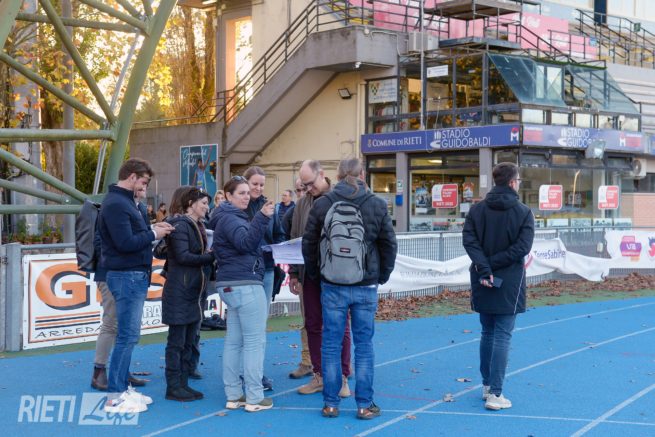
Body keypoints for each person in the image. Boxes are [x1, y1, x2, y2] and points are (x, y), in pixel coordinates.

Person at [303, 157, 397, 419]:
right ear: (362, 174)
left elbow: (309, 243)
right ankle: (364, 405)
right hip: (365, 283)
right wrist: (382, 275)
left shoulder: (323, 204)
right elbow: (389, 244)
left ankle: (331, 403)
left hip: (332, 282)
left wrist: (317, 274)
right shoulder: (376, 204)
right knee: (364, 345)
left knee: (331, 344)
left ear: (338, 175)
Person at [99, 158, 174, 414]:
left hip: (132, 275)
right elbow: (125, 242)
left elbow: (129, 236)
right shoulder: (116, 203)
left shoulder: (124, 202)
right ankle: (115, 396)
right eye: (143, 181)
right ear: (132, 177)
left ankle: (121, 389)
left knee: (129, 336)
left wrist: (153, 228)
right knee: (127, 336)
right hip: (126, 275)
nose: (144, 186)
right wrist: (154, 234)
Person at [462, 162, 534, 411]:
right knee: (501, 334)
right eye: (518, 180)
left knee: (488, 332)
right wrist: (490, 265)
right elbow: (522, 248)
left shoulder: (476, 210)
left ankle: (487, 386)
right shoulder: (524, 212)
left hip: (483, 276)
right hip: (508, 280)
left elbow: (469, 241)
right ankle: (495, 392)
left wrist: (485, 266)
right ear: (513, 182)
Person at [212, 176, 275, 412]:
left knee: (234, 341)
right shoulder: (232, 218)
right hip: (245, 284)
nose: (247, 196)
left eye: (248, 193)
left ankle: (234, 394)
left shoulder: (226, 217)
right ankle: (254, 396)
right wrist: (262, 218)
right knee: (254, 342)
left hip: (230, 284)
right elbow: (246, 243)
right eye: (241, 193)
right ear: (228, 196)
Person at [289, 160, 352, 395]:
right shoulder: (302, 204)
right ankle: (319, 375)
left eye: (310, 183)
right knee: (313, 324)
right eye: (303, 185)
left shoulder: (340, 198)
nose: (308, 189)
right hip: (310, 274)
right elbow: (295, 238)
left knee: (340, 324)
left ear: (322, 174)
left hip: (337, 275)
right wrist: (294, 273)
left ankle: (343, 377)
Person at [90, 188, 150, 392]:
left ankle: (121, 371)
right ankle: (99, 371)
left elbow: (141, 240)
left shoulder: (140, 208)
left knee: (125, 327)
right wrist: (122, 256)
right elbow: (101, 242)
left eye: (146, 183)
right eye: (141, 183)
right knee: (111, 323)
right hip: (110, 274)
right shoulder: (114, 207)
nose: (144, 188)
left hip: (128, 274)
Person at [162, 188, 215, 402]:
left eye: (207, 203)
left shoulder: (196, 225)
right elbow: (183, 257)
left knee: (188, 341)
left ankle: (182, 383)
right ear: (191, 203)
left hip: (192, 291)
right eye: (203, 203)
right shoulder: (181, 225)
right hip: (180, 291)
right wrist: (210, 257)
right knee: (177, 342)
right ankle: (173, 386)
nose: (207, 207)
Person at [241, 166, 285, 391]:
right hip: (245, 271)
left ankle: (255, 371)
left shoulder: (271, 207)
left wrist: (279, 247)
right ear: (246, 183)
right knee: (245, 325)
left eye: (261, 184)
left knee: (259, 325)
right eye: (254, 184)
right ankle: (246, 372)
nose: (258, 188)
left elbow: (279, 233)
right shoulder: (239, 206)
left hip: (267, 269)